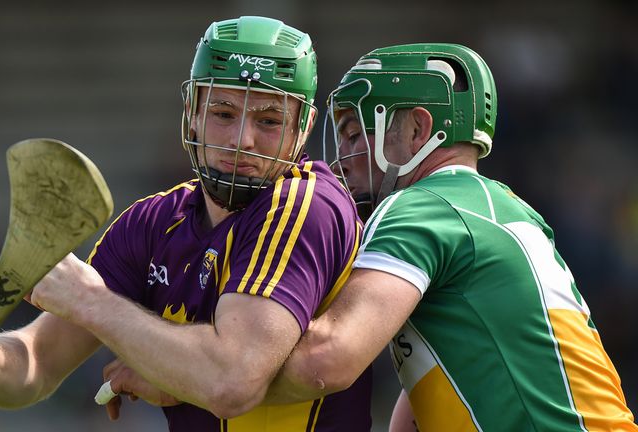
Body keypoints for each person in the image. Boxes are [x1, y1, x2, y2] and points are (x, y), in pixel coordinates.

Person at [0, 16, 373, 431]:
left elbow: (231, 381)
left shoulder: (305, 203)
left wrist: (90, 301)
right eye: (223, 114)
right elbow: (36, 364)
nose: (242, 140)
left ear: (304, 128)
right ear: (192, 113)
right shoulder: (152, 223)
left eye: (269, 120)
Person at [261, 43, 637, 431]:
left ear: (418, 131)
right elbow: (430, 394)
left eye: (356, 134)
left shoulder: (422, 207)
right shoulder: (503, 206)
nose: (342, 155)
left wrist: (220, 366)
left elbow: (325, 358)